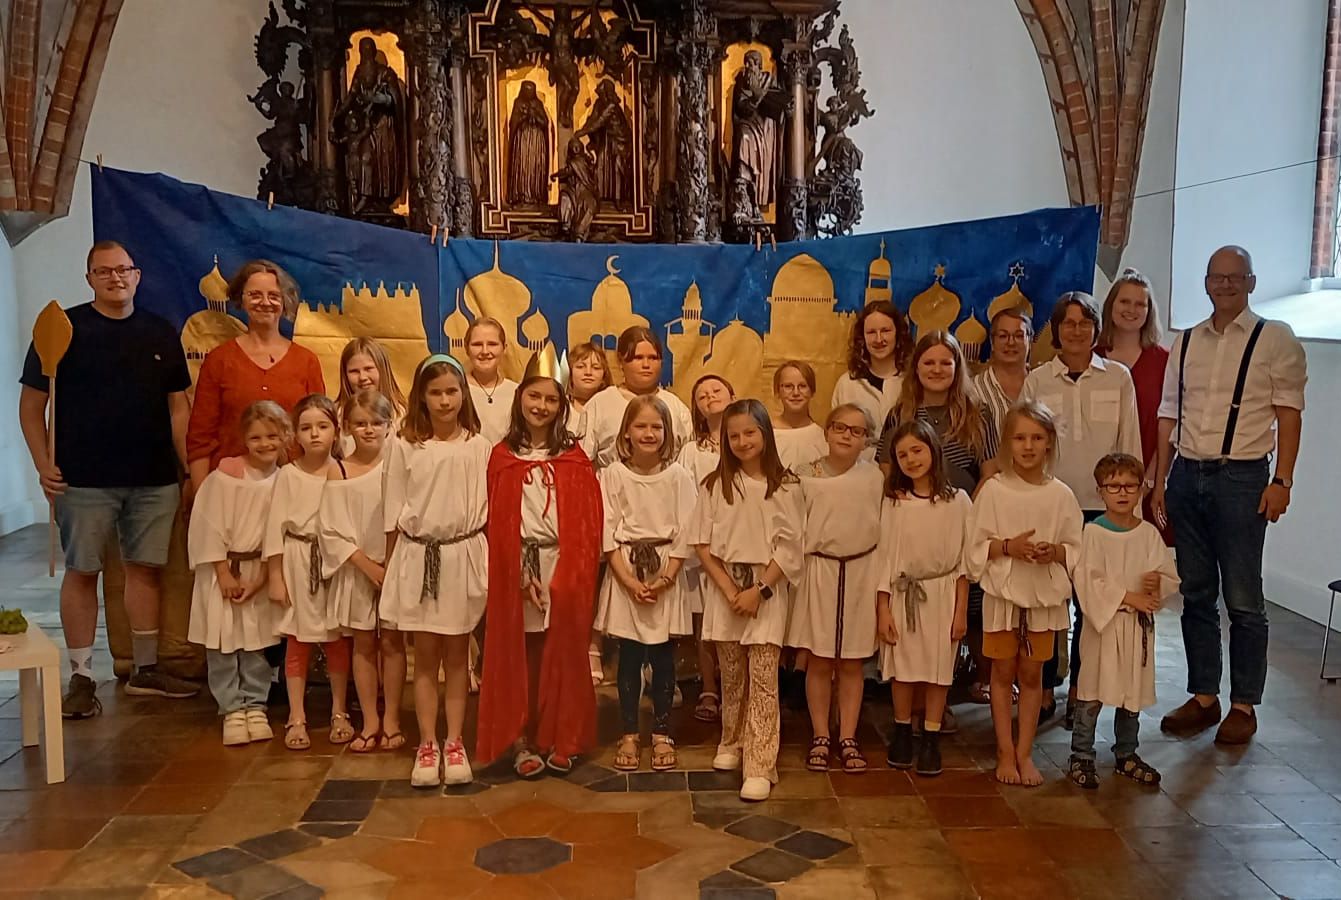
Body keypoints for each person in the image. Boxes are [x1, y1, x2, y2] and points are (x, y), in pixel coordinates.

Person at [18, 240, 198, 718]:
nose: (115, 278)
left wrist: (188, 469)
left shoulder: (160, 332)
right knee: (82, 572)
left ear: (137, 275)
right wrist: (42, 464)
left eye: (123, 270)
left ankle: (145, 669)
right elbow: (32, 406)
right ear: (90, 279)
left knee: (144, 569)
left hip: (153, 477)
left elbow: (179, 408)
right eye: (104, 271)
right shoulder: (62, 330)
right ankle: (81, 677)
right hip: (82, 479)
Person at [1151, 245, 1307, 745]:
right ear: (1206, 282)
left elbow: (1289, 413)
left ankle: (1243, 704)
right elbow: (1168, 412)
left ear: (1251, 282)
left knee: (1242, 596)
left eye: (1235, 277)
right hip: (1187, 473)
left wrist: (1282, 481)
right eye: (1217, 277)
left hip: (1242, 478)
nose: (1225, 285)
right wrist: (1161, 480)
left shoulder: (1275, 338)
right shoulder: (1186, 340)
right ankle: (1204, 697)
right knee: (1196, 592)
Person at [476, 347, 603, 777]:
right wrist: (518, 572)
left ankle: (562, 736)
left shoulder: (573, 458)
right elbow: (494, 521)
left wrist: (571, 572)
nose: (542, 406)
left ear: (561, 405)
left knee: (563, 652)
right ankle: (521, 738)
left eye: (551, 399)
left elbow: (588, 523)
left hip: (563, 564)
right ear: (520, 399)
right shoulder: (501, 457)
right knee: (522, 653)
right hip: (518, 565)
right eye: (534, 396)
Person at [1023, 292, 1140, 724]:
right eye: (1068, 323)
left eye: (1084, 323)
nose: (1076, 331)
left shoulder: (1117, 378)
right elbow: (1027, 444)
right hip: (1052, 506)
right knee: (1048, 603)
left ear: (1096, 329)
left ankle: (1080, 690)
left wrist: (1127, 505)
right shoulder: (1038, 380)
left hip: (1100, 508)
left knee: (1091, 605)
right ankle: (1045, 688)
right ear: (1056, 330)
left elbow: (1129, 442)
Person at [379, 356, 489, 786]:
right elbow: (392, 510)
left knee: (458, 657)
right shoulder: (404, 444)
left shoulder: (478, 446)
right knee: (424, 658)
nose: (445, 401)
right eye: (435, 392)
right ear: (421, 397)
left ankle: (455, 741)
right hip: (418, 556)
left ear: (463, 394)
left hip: (461, 555)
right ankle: (427, 744)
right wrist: (390, 568)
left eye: (451, 391)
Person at [689, 399, 803, 802]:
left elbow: (791, 547)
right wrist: (729, 590)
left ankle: (760, 762)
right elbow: (702, 544)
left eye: (750, 433)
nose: (742, 441)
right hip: (727, 588)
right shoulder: (714, 485)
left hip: (765, 590)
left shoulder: (785, 485)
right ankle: (732, 741)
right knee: (732, 673)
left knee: (763, 677)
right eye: (733, 435)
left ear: (765, 433)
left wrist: (760, 590)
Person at [967, 401, 1082, 786]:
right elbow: (973, 546)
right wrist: (1007, 547)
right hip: (1003, 598)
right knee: (1002, 673)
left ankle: (1025, 752)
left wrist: (1055, 552)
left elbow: (1078, 548)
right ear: (1007, 443)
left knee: (1032, 675)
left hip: (1042, 600)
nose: (1028, 446)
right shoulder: (994, 491)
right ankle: (1004, 750)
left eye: (1036, 438)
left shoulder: (1061, 495)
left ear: (1049, 442)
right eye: (1019, 438)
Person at [1070, 453, 1179, 790]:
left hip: (1136, 628)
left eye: (1130, 486)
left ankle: (1126, 753)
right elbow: (1088, 581)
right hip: (1104, 627)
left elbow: (1168, 575)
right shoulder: (1093, 533)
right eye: (1113, 486)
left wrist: (1157, 584)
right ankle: (1081, 754)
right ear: (1100, 491)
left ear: (1141, 490)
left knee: (1131, 691)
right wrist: (1130, 597)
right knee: (1092, 691)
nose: (1122, 492)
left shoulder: (1148, 534)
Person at [602, 396, 697, 772]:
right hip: (626, 569)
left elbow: (689, 530)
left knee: (662, 656)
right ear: (626, 432)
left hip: (665, 571)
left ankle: (661, 732)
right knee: (629, 655)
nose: (648, 433)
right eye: (640, 426)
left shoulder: (678, 477)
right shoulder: (613, 475)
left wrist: (667, 577)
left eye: (656, 427)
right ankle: (629, 732)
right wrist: (627, 580)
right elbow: (606, 530)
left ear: (667, 432)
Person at [788, 404, 882, 775]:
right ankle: (820, 734)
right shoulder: (803, 475)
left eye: (856, 431)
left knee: (852, 661)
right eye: (840, 427)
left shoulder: (873, 476)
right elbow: (793, 528)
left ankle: (848, 735)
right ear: (827, 431)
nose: (846, 435)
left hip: (861, 571)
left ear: (866, 440)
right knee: (819, 658)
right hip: (819, 570)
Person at [186, 400, 288, 745]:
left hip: (260, 571)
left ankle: (255, 705)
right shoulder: (225, 477)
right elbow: (208, 524)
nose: (265, 444)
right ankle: (231, 707)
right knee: (224, 641)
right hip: (224, 572)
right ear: (244, 439)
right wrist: (223, 573)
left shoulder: (284, 480)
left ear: (285, 436)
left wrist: (262, 578)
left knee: (258, 641)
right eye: (256, 437)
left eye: (272, 436)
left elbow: (281, 532)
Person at [877, 420, 971, 777]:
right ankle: (902, 730)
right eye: (902, 455)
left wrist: (960, 611)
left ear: (933, 449)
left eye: (917, 450)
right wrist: (883, 608)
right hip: (904, 594)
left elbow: (963, 563)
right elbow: (885, 557)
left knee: (937, 670)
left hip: (943, 594)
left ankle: (931, 736)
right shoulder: (894, 503)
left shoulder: (957, 501)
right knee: (903, 668)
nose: (911, 460)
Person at [264, 394, 353, 751]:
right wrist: (275, 575)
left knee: (336, 639)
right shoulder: (288, 475)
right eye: (306, 427)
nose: (315, 434)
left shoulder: (343, 471)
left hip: (334, 561)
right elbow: (274, 528)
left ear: (336, 430)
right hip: (298, 562)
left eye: (322, 426)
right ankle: (297, 714)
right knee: (298, 640)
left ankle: (339, 710)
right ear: (295, 434)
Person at [187, 259, 325, 483]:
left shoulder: (306, 361)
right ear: (241, 299)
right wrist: (202, 493)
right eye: (255, 295)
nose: (265, 302)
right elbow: (200, 437)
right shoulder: (219, 360)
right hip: (231, 486)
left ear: (285, 301)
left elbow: (319, 432)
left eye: (274, 295)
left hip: (293, 486)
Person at [321, 390, 391, 753]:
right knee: (363, 645)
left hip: (394, 567)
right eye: (360, 423)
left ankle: (391, 719)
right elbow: (330, 528)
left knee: (392, 644)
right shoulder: (339, 469)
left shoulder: (396, 464)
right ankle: (370, 720)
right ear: (346, 427)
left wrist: (391, 564)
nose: (368, 430)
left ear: (389, 425)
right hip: (358, 567)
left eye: (376, 423)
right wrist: (366, 565)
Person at [1096, 269, 1171, 538]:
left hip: (1148, 482)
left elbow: (1170, 424)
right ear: (1111, 305)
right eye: (1125, 301)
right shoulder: (1091, 358)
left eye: (1140, 304)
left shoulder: (1165, 362)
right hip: (1098, 486)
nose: (1132, 309)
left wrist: (1149, 479)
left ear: (1149, 311)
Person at [677, 374, 735, 724]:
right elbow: (686, 499)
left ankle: (733, 687)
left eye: (717, 390)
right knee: (705, 623)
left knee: (733, 619)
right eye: (702, 395)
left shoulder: (744, 441)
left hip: (738, 544)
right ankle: (709, 687)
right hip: (704, 544)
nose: (710, 397)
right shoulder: (692, 450)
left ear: (732, 396)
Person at [583, 326, 693, 469]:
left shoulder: (677, 408)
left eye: (653, 358)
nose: (646, 365)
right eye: (638, 358)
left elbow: (689, 462)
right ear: (621, 361)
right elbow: (582, 461)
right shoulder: (599, 404)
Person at [569, 341, 613, 686]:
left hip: (600, 497)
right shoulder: (556, 405)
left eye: (596, 366)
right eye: (581, 365)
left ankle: (593, 646)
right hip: (564, 498)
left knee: (597, 578)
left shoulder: (609, 406)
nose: (588, 372)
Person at [832, 299, 911, 452]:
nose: (878, 339)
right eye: (871, 332)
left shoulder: (912, 382)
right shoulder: (847, 384)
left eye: (885, 331)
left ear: (898, 333)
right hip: (858, 464)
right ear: (862, 337)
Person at [336, 337, 406, 456]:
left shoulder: (400, 414)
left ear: (382, 369)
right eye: (354, 371)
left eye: (368, 369)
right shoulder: (337, 415)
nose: (362, 377)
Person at [973, 306, 1033, 434]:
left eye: (1019, 336)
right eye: (1003, 336)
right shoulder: (974, 390)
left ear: (1030, 340)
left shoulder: (1043, 382)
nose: (1011, 343)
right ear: (992, 342)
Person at [464, 317, 518, 444]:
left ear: (504, 348)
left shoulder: (518, 392)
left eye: (492, 344)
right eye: (477, 344)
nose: (485, 351)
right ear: (466, 348)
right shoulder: (457, 391)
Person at [772, 360, 829, 471]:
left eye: (802, 386)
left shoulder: (823, 438)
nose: (796, 393)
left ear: (812, 391)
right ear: (778, 391)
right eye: (788, 386)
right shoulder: (767, 436)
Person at [567, 340, 612, 441]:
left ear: (604, 376)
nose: (588, 372)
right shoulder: (560, 408)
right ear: (570, 372)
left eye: (596, 368)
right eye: (580, 367)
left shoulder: (611, 409)